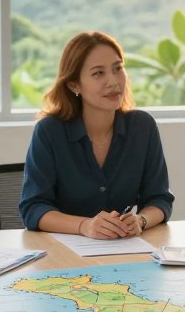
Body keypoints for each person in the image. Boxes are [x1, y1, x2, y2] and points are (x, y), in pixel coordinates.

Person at [19, 31, 174, 239]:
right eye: (98, 73)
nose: (113, 82)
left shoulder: (142, 127)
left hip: (124, 250)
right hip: (63, 253)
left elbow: (159, 199)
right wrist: (85, 225)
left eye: (117, 69)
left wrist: (140, 221)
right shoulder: (49, 131)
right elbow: (33, 208)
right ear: (74, 84)